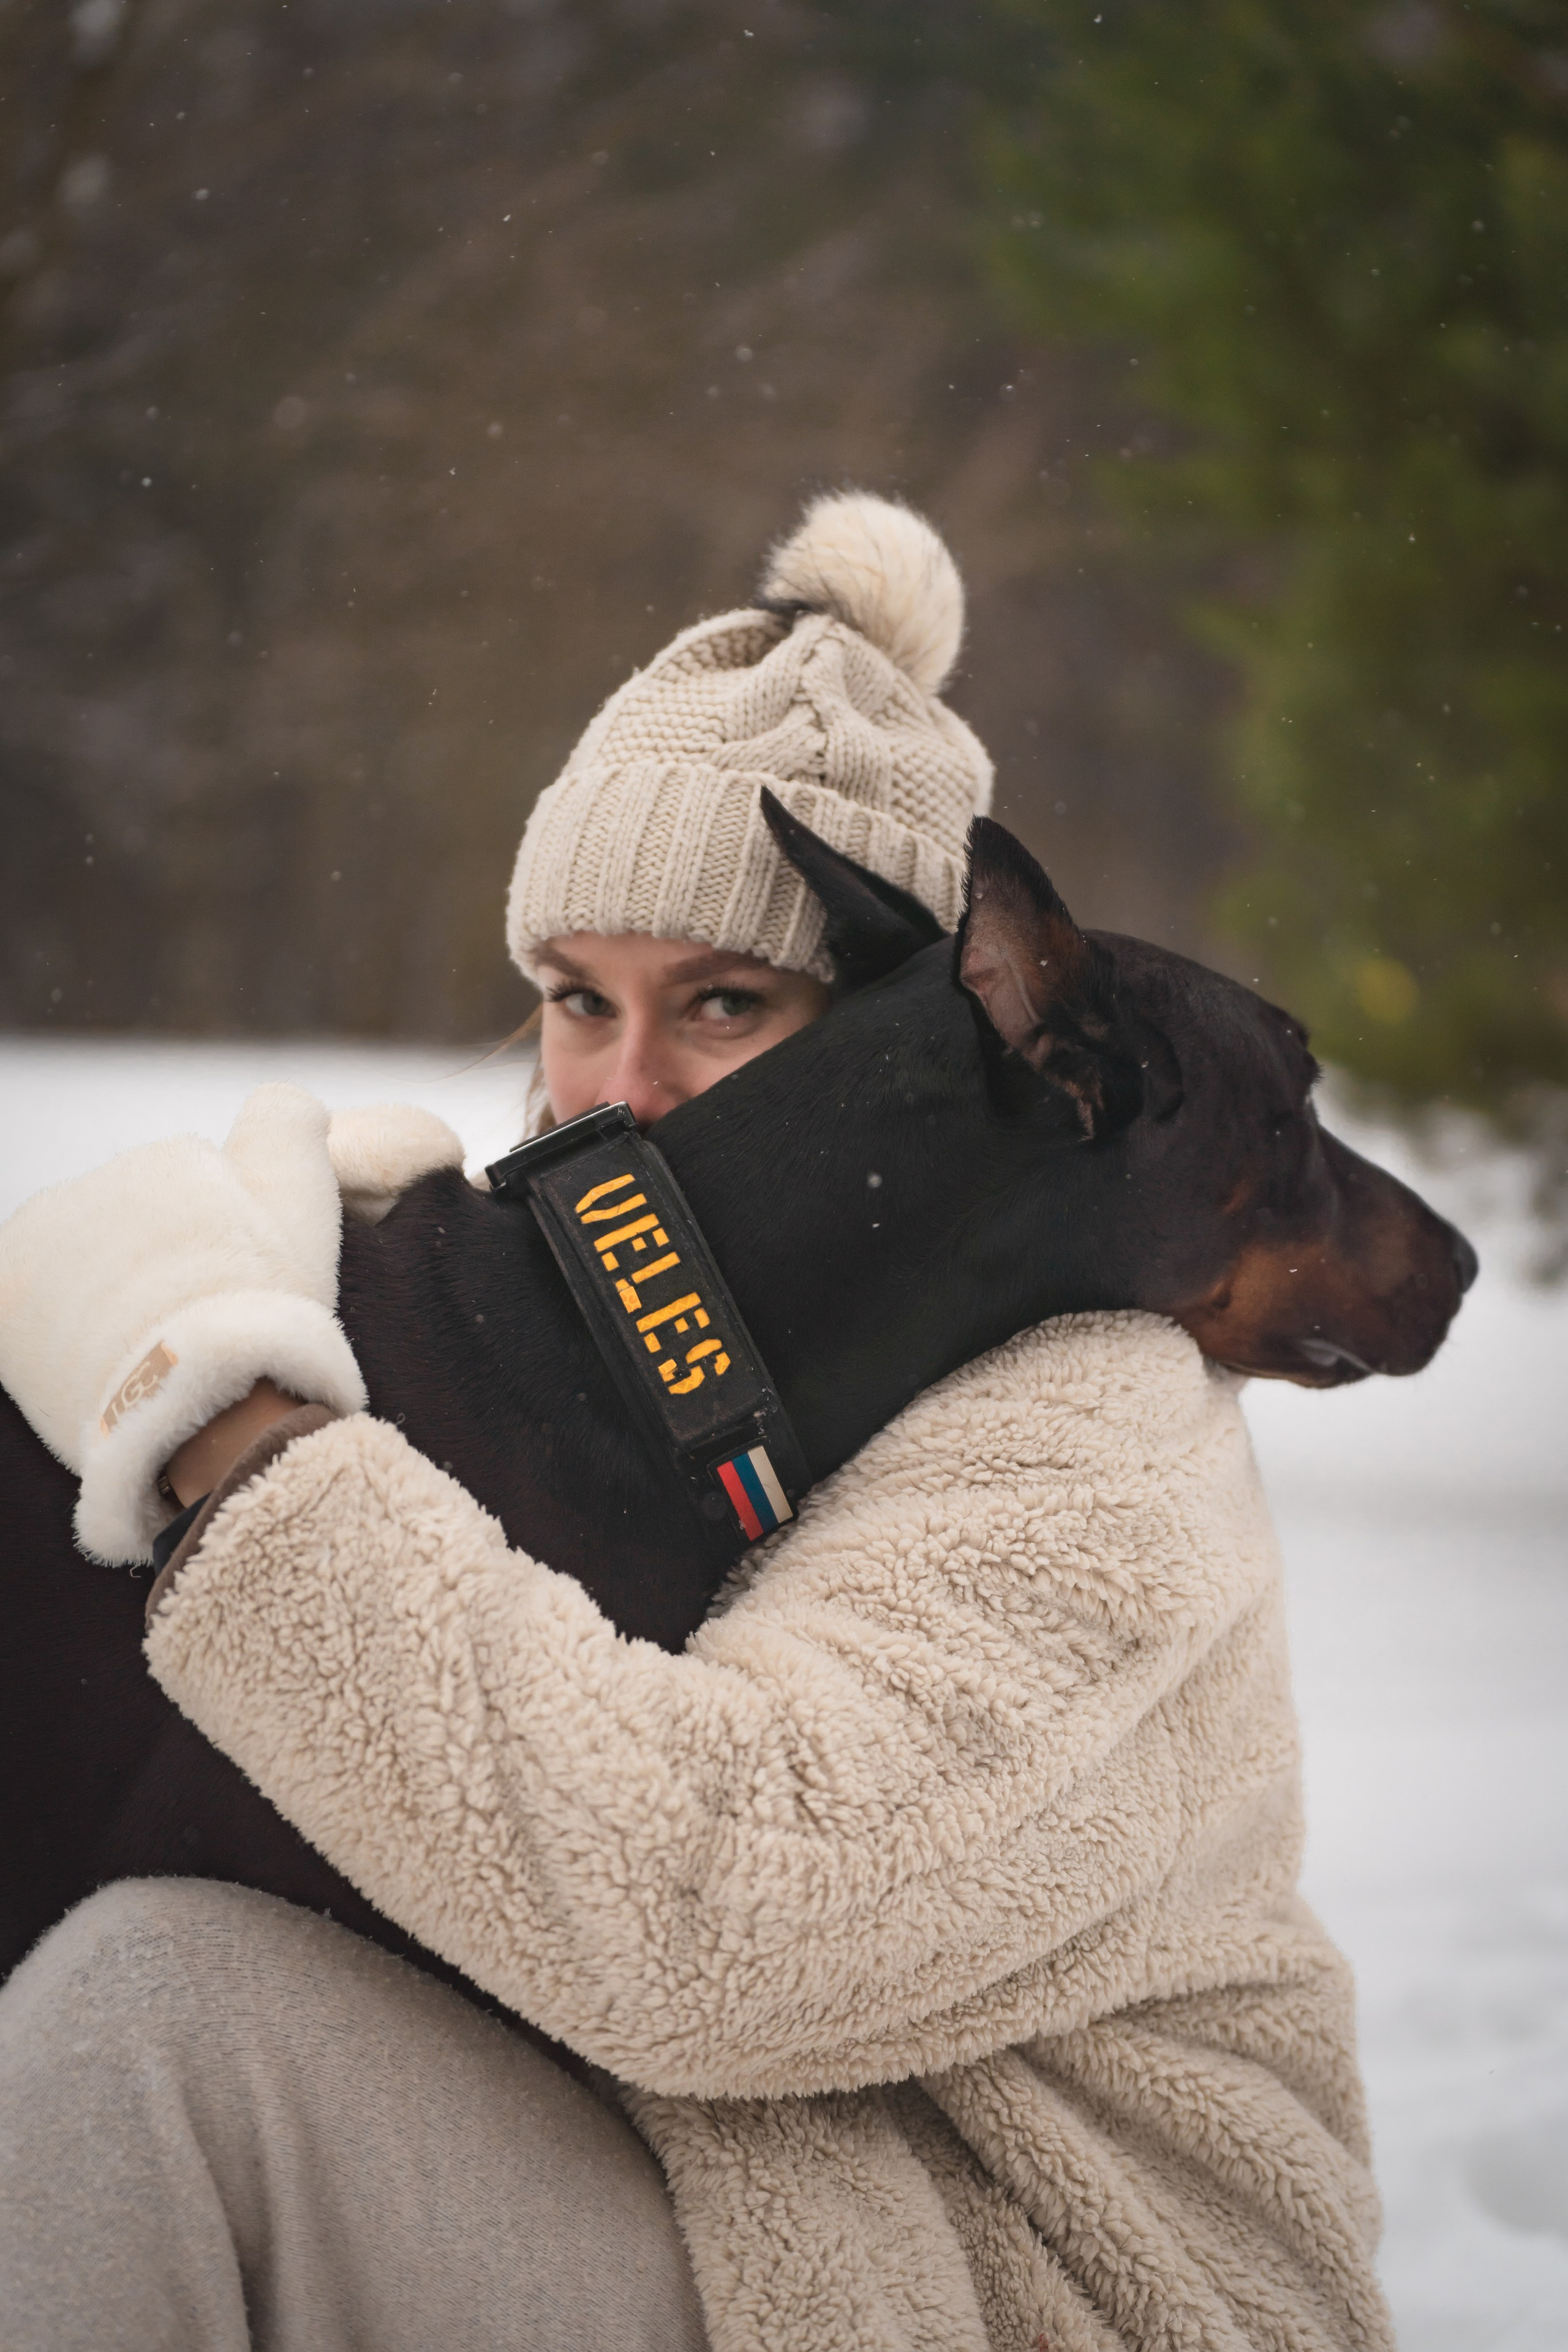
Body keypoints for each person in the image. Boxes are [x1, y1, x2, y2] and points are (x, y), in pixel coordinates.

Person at [0, 496, 1394, 2352]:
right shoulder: (606, 1331)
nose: (623, 1089)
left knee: (143, 2045)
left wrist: (243, 1443)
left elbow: (714, 1916)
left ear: (924, 1048)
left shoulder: (1087, 1426)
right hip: (713, 2182)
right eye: (578, 1001)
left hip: (1035, 2279)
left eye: (726, 1006)